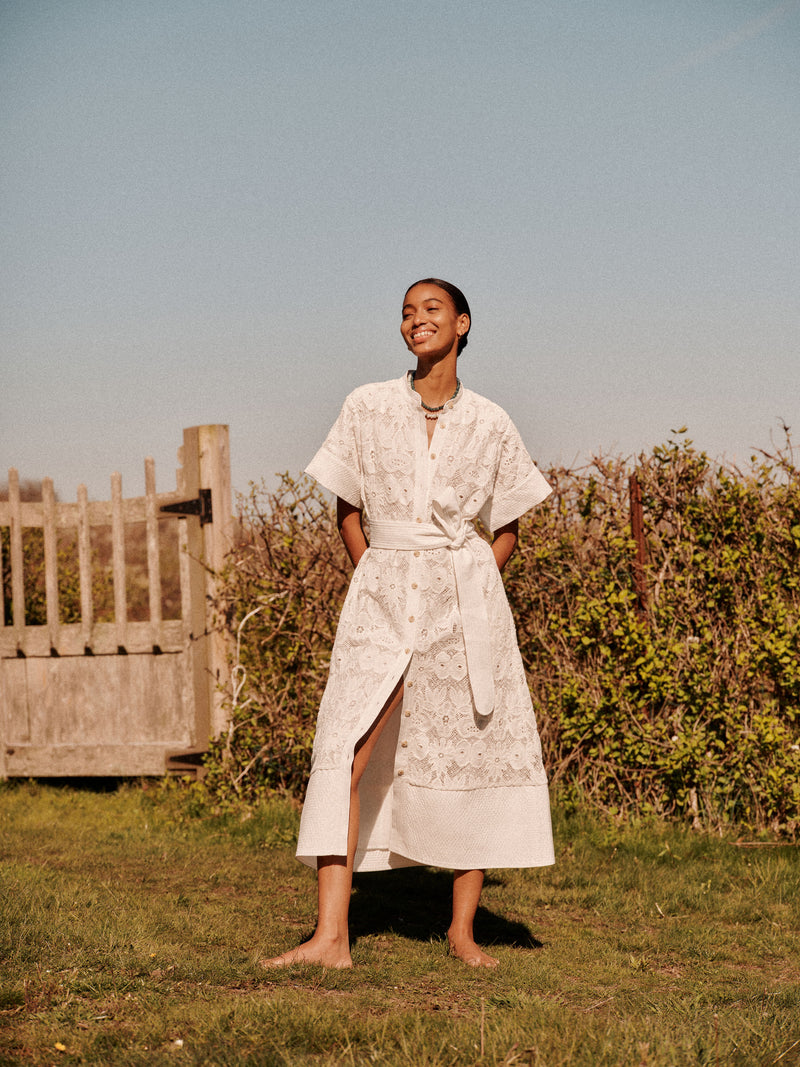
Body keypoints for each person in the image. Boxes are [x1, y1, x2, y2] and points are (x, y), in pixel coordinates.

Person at [262, 278, 554, 970]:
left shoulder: (491, 420)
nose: (415, 320)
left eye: (431, 309)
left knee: (469, 747)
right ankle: (331, 937)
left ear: (463, 323)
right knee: (346, 744)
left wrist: (473, 586)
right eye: (405, 312)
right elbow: (347, 509)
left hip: (463, 608)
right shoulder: (365, 406)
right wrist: (379, 575)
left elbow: (506, 525)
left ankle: (462, 931)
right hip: (382, 601)